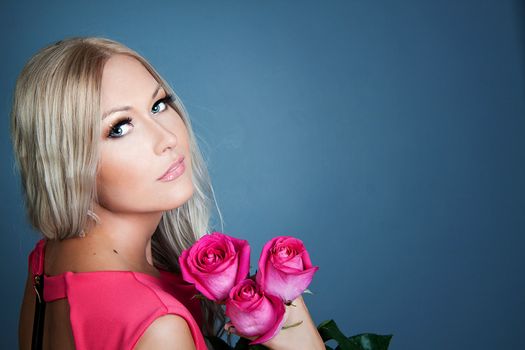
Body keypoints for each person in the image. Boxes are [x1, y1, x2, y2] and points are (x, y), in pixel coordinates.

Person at [12, 37, 325, 349]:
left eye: (158, 105)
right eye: (119, 127)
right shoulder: (159, 326)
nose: (167, 138)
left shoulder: (48, 259)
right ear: (67, 162)